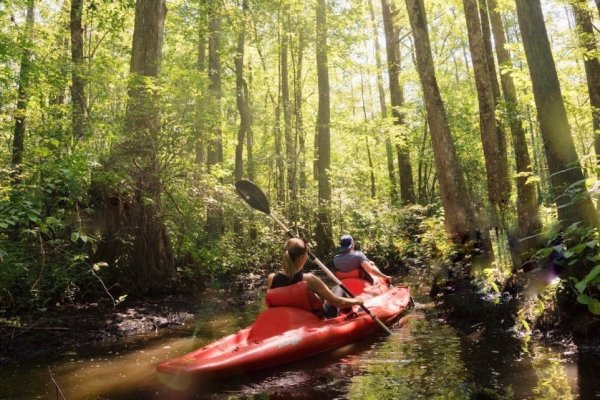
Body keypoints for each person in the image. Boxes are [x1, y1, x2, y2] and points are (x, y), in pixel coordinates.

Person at [266, 238, 363, 318]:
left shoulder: (271, 278)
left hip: (289, 318)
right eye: (306, 254)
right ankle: (350, 311)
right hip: (315, 318)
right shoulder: (309, 279)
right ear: (301, 257)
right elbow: (338, 302)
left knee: (328, 292)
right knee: (338, 288)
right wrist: (357, 301)